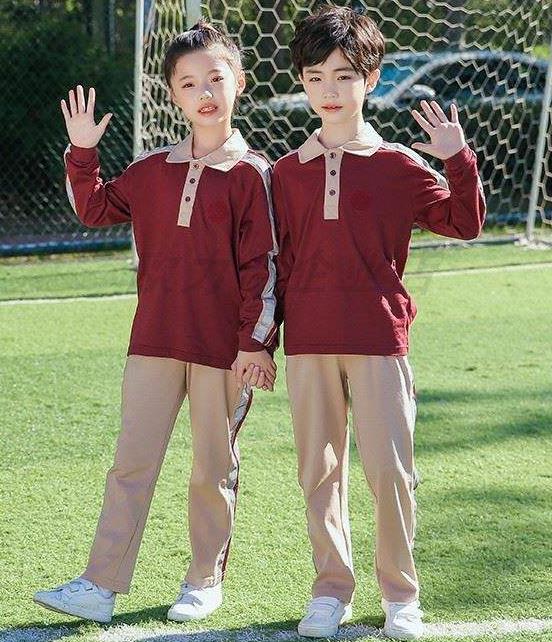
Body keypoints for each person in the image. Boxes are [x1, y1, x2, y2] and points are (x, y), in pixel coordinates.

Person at [34, 20, 278, 624]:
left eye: (215, 78)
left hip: (224, 351)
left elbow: (265, 266)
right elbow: (94, 209)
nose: (204, 92)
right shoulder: (150, 171)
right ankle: (100, 584)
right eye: (189, 83)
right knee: (131, 463)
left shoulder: (254, 174)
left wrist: (255, 344)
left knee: (212, 467)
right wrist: (83, 151)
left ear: (239, 82)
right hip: (153, 343)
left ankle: (202, 581)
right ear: (172, 94)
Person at [272, 5, 486, 640]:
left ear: (370, 79)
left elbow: (465, 223)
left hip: (378, 338)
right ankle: (330, 590)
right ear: (303, 83)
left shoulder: (397, 165)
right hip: (307, 343)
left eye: (344, 75)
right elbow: (274, 265)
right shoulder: (284, 173)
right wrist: (259, 340)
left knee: (390, 471)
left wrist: (457, 158)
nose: (329, 90)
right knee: (319, 472)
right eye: (315, 77)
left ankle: (400, 595)